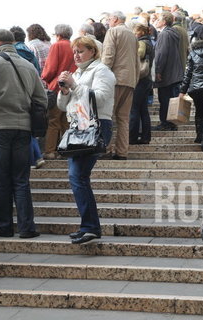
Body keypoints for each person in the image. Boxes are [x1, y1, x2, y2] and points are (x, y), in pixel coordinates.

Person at [0, 29, 47, 238]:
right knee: (21, 179)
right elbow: (41, 99)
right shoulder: (28, 65)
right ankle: (27, 227)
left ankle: (3, 226)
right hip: (23, 129)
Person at [57, 36, 115, 244]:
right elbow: (64, 106)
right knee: (77, 177)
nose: (76, 55)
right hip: (78, 127)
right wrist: (64, 91)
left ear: (93, 51)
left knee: (78, 176)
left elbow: (100, 97)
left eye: (80, 51)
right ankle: (88, 226)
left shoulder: (101, 71)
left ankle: (90, 226)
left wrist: (75, 85)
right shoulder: (78, 73)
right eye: (75, 52)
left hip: (96, 126)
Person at [101, 11, 140, 160]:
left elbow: (108, 56)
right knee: (123, 118)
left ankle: (106, 149)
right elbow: (136, 60)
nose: (109, 21)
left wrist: (102, 76)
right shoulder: (131, 35)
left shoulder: (113, 31)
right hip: (129, 81)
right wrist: (134, 79)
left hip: (114, 80)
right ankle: (122, 152)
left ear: (115, 19)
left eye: (109, 19)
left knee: (107, 116)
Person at [9, 26, 45, 169]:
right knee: (29, 128)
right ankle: (36, 156)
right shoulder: (30, 52)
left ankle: (34, 157)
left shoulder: (15, 52)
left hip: (17, 94)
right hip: (31, 92)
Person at [42, 24, 77, 160]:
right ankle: (66, 149)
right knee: (66, 121)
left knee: (53, 121)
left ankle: (50, 151)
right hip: (72, 86)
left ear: (58, 34)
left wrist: (45, 78)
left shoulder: (57, 46)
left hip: (58, 87)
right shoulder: (74, 45)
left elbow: (50, 69)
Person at [152, 12, 184, 131]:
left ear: (164, 22)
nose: (155, 21)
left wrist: (158, 70)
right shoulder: (172, 32)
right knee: (170, 98)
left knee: (165, 99)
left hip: (166, 73)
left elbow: (161, 53)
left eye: (158, 19)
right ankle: (170, 122)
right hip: (173, 72)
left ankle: (166, 123)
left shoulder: (165, 34)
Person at [129, 24, 154, 145]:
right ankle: (145, 137)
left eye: (135, 32)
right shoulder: (149, 42)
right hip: (147, 79)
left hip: (140, 79)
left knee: (134, 109)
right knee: (143, 110)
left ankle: (132, 137)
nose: (134, 34)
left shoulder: (142, 43)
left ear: (141, 32)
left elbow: (139, 54)